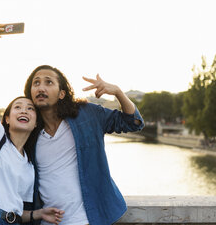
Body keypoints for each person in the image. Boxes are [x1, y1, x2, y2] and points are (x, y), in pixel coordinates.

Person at [23, 65, 145, 225]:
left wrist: (117, 92)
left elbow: (133, 123)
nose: (41, 87)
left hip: (87, 220)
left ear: (62, 94)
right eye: (36, 83)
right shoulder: (27, 130)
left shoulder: (87, 114)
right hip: (47, 221)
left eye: (48, 82)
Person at [0, 23, 64, 225]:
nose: (24, 110)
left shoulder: (29, 164)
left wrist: (38, 214)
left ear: (36, 122)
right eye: (18, 107)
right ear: (7, 119)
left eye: (30, 109)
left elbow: (19, 210)